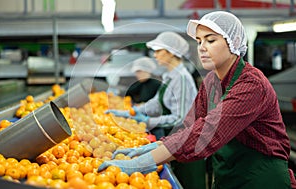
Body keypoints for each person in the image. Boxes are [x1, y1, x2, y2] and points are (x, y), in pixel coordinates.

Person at [99, 11, 296, 189]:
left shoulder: (251, 85)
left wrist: (139, 163)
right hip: (228, 174)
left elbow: (207, 132)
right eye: (200, 41)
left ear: (234, 41)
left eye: (211, 40)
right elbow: (190, 125)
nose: (202, 48)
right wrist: (154, 147)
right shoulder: (211, 80)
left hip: (261, 178)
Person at [107, 31, 198, 140]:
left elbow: (180, 119)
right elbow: (156, 103)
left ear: (171, 52)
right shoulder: (169, 77)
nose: (155, 55)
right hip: (171, 136)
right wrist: (132, 112)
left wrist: (148, 121)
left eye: (159, 51)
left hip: (183, 140)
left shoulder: (181, 79)